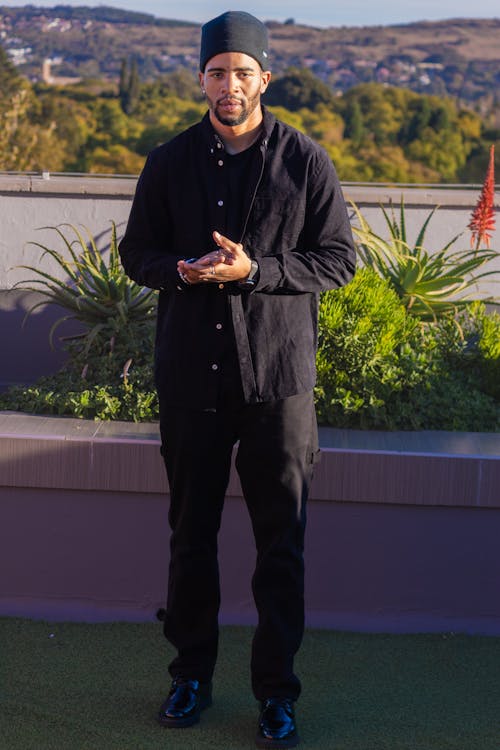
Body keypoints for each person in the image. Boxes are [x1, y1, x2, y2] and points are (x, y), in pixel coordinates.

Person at [119, 10, 355, 749]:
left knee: (279, 543)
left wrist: (258, 272)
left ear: (264, 79)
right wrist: (181, 273)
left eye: (242, 73)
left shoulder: (307, 162)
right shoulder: (167, 162)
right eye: (217, 72)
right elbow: (137, 254)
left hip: (278, 385)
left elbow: (337, 262)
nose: (229, 85)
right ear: (201, 79)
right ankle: (189, 677)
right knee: (191, 537)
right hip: (192, 378)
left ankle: (277, 694)